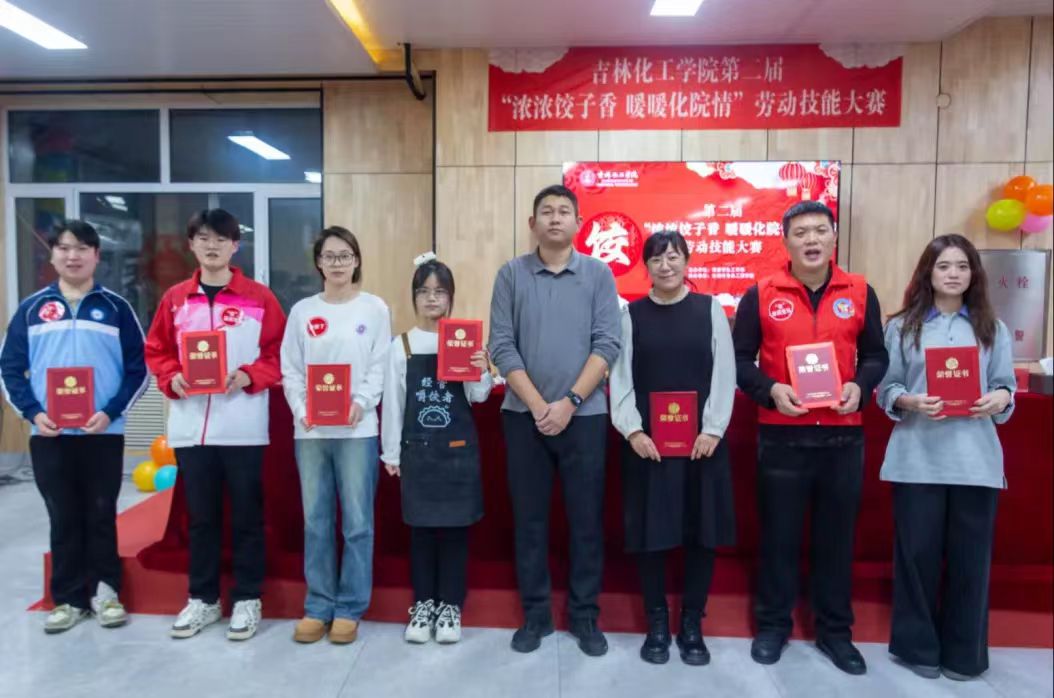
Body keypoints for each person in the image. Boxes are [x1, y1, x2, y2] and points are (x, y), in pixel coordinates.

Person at [732, 200, 889, 674]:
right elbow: (739, 361)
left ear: (833, 237)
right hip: (781, 436)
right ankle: (773, 626)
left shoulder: (859, 291)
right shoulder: (760, 293)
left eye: (820, 230)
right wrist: (770, 390)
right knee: (778, 538)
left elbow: (876, 356)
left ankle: (835, 633)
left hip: (842, 437)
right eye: (800, 233)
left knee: (836, 541)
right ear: (785, 241)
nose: (811, 240)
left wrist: (860, 387)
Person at [488, 184, 621, 656]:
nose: (555, 218)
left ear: (578, 223)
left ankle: (584, 616)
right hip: (523, 418)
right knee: (529, 522)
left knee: (586, 522)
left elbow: (608, 343)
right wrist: (539, 405)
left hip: (585, 418)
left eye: (564, 211)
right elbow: (501, 345)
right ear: (533, 224)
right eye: (546, 211)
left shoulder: (599, 274)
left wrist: (568, 402)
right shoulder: (511, 274)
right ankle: (536, 615)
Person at [877, 234, 1015, 681]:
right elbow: (887, 388)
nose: (953, 274)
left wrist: (999, 398)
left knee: (970, 562)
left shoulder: (992, 328)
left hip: (975, 461)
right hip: (917, 458)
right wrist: (910, 401)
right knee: (916, 558)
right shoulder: (902, 327)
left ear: (974, 274)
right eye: (943, 266)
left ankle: (963, 655)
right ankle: (917, 648)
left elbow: (1006, 386)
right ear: (928, 273)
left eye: (962, 266)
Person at [145, 209, 286, 641]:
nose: (212, 246)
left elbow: (279, 354)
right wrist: (172, 377)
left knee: (247, 517)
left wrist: (248, 375)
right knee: (201, 519)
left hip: (243, 425)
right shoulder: (175, 299)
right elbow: (157, 350)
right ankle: (203, 598)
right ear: (191, 244)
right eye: (204, 238)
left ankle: (247, 598)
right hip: (191, 428)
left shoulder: (259, 298)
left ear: (235, 246)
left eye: (221, 239)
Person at [1, 220, 148, 634]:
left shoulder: (117, 308)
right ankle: (68, 599)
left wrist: (111, 412)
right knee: (62, 516)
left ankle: (106, 593)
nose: (73, 255)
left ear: (96, 256)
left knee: (101, 513)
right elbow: (9, 369)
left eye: (82, 248)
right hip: (50, 436)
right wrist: (33, 413)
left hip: (103, 433)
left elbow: (138, 369)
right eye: (64, 248)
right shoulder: (31, 309)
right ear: (52, 255)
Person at [609, 231, 736, 666]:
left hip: (703, 445)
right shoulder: (631, 315)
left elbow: (724, 373)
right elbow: (620, 378)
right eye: (657, 259)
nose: (666, 266)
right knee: (652, 535)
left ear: (687, 261)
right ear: (646, 266)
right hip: (649, 447)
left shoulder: (709, 309)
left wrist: (713, 429)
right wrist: (633, 431)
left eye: (674, 257)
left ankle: (693, 624)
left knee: (702, 535)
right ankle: (658, 624)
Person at [280, 226, 390, 645]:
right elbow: (291, 368)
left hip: (357, 430)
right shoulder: (302, 311)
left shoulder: (374, 308)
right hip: (310, 432)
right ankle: (318, 605)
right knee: (316, 521)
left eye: (345, 255)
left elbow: (380, 364)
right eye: (330, 256)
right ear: (319, 263)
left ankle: (349, 608)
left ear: (356, 261)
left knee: (358, 523)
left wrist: (361, 402)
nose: (338, 263)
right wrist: (301, 409)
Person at [381, 254, 492, 645]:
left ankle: (450, 608)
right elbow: (393, 404)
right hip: (418, 453)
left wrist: (481, 367)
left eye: (439, 291)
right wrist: (391, 454)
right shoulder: (402, 345)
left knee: (456, 534)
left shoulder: (462, 338)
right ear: (414, 297)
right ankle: (423, 604)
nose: (432, 298)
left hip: (458, 453)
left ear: (450, 298)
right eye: (424, 291)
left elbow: (478, 397)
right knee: (422, 533)